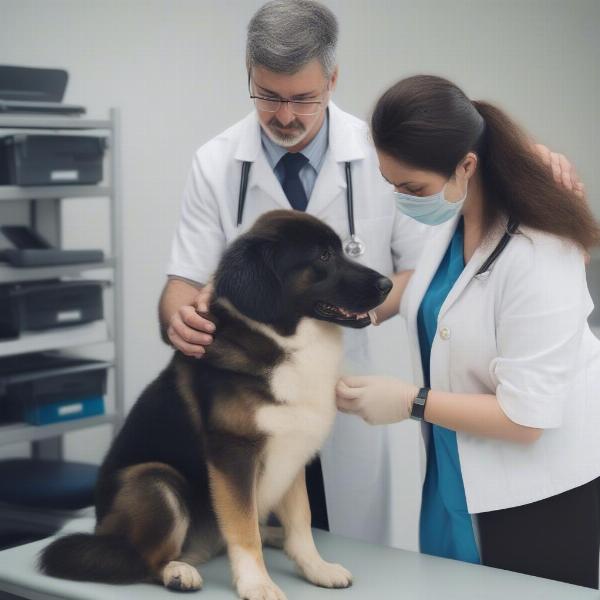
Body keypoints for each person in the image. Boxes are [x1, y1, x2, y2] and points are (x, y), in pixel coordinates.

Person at [159, 0, 580, 547]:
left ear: (332, 79)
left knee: (341, 554)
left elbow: (419, 273)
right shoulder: (216, 162)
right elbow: (185, 281)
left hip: (346, 398)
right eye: (269, 97)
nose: (285, 115)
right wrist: (180, 315)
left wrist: (338, 321)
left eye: (303, 98)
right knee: (247, 549)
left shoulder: (387, 159)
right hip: (249, 398)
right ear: (250, 77)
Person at [335, 74, 600, 588]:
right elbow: (436, 294)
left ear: (467, 165)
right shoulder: (454, 223)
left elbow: (527, 417)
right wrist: (350, 307)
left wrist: (410, 401)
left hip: (536, 498)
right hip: (453, 475)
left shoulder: (540, 253)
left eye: (411, 188)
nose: (401, 200)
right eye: (391, 184)